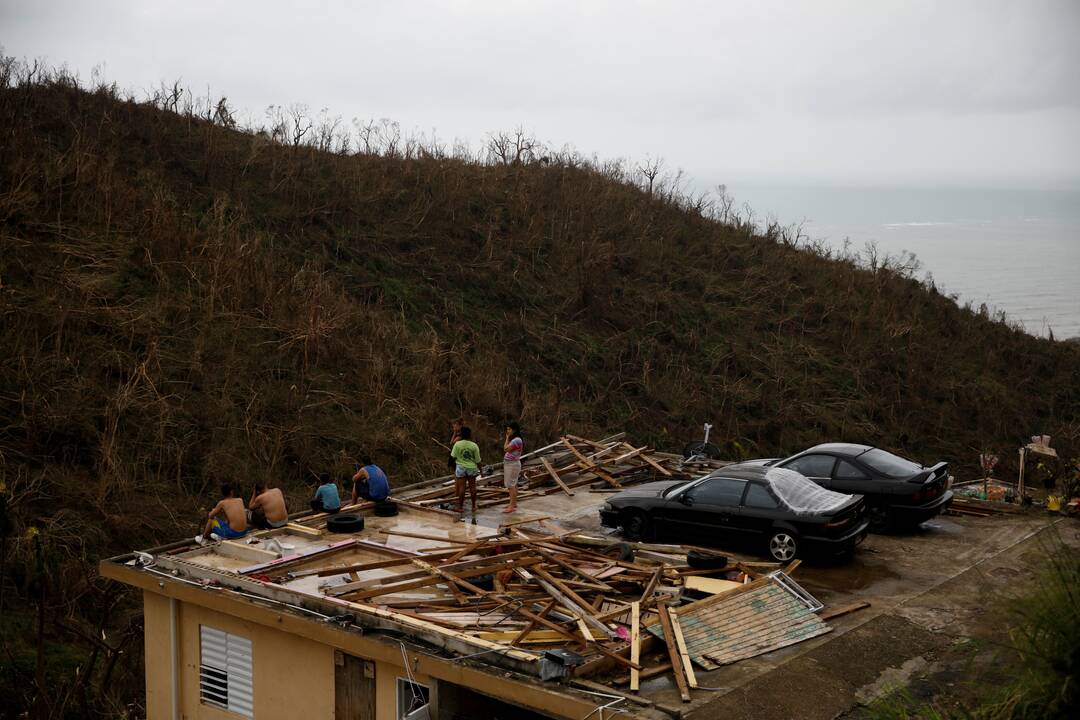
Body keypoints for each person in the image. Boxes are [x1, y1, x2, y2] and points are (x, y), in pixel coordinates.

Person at [451, 426, 482, 520]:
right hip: (472, 468)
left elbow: (453, 456)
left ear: (461, 434)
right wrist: (481, 470)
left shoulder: (457, 444)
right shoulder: (474, 445)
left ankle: (460, 507)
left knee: (462, 488)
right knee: (473, 487)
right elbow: (478, 460)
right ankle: (473, 506)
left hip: (461, 467)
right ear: (470, 435)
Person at [502, 422, 524, 513]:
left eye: (509, 429)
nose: (507, 431)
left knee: (510, 485)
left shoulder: (516, 440)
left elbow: (506, 449)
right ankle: (513, 503)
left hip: (512, 464)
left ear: (514, 430)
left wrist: (506, 438)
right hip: (511, 464)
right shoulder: (516, 439)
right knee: (513, 484)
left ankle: (512, 505)